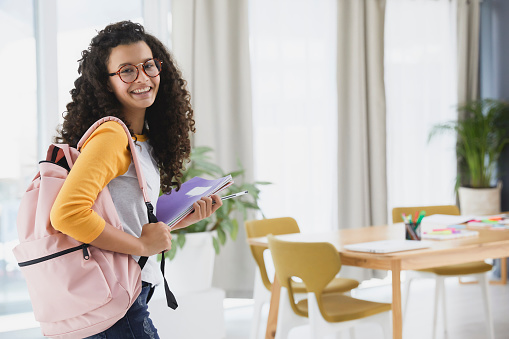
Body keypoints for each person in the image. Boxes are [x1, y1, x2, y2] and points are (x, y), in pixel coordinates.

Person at [50, 20, 222, 338]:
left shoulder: (136, 137)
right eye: (127, 70)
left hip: (123, 293)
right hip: (116, 300)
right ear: (106, 82)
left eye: (148, 66)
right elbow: (67, 214)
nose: (142, 78)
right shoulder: (112, 136)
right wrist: (143, 244)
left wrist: (173, 222)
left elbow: (118, 216)